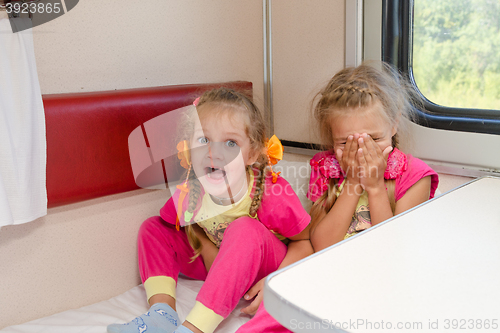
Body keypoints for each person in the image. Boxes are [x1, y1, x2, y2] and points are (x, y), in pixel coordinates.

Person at [107, 88, 312, 333]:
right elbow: (182, 225)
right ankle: (161, 315)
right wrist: (205, 247)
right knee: (154, 228)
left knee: (243, 228)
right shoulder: (190, 189)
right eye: (204, 140)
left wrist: (274, 282)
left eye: (230, 143)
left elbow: (306, 243)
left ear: (253, 153)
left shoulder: (271, 192)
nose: (214, 153)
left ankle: (194, 329)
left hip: (264, 266)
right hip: (219, 262)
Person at [308, 62, 439, 251]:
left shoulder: (415, 176)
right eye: (346, 143)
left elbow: (392, 249)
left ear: (393, 124)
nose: (361, 150)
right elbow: (322, 246)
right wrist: (353, 182)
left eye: (374, 139)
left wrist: (375, 187)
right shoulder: (325, 167)